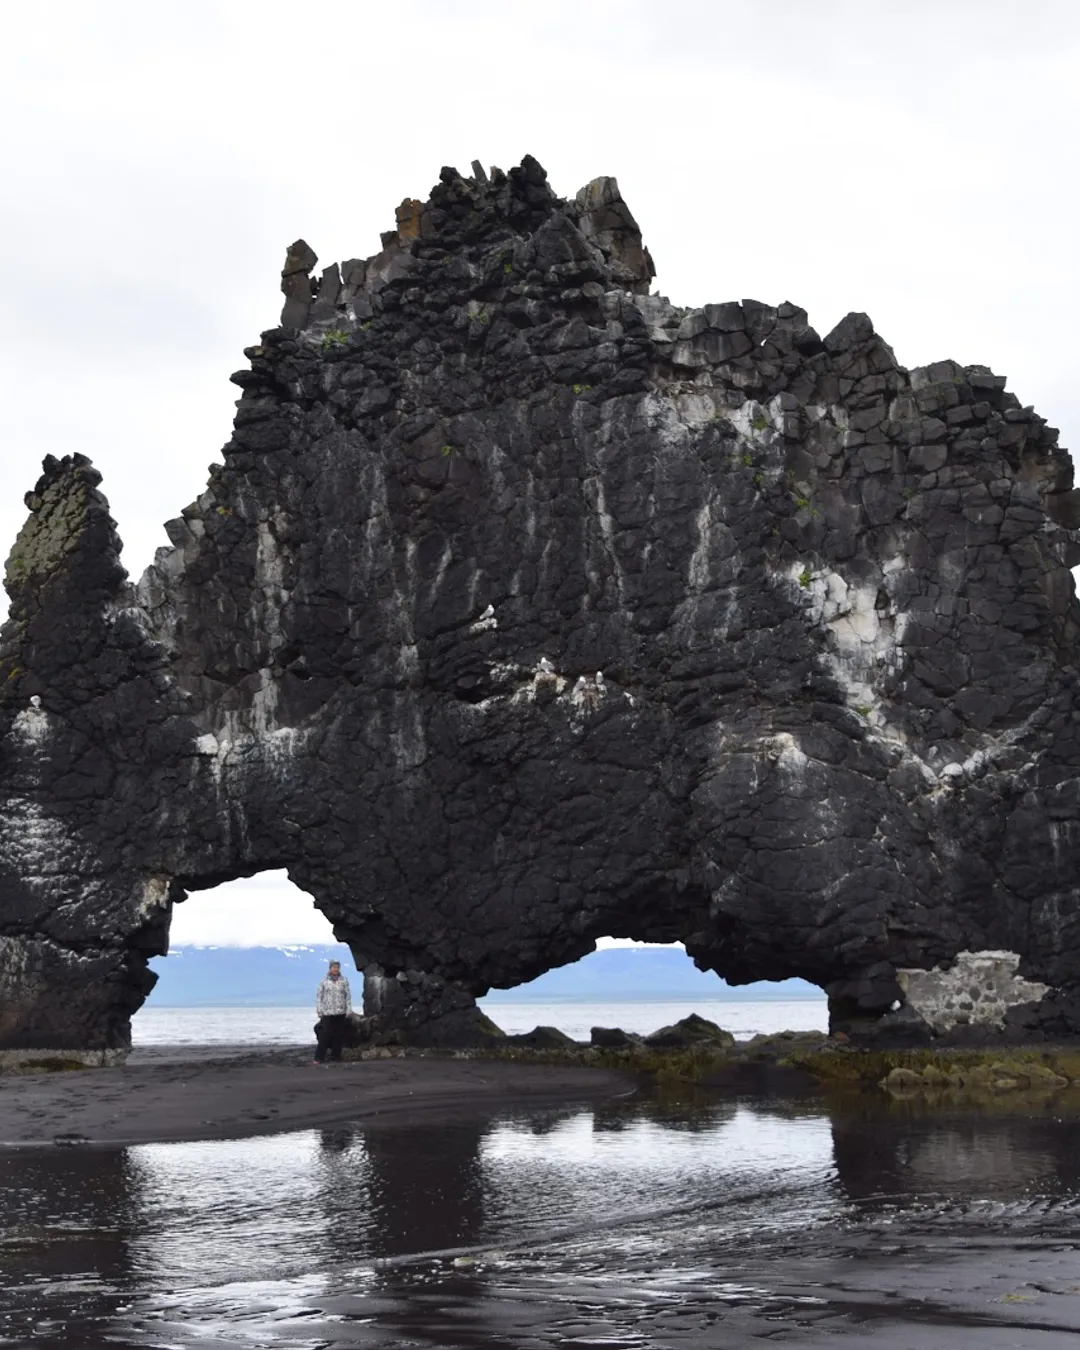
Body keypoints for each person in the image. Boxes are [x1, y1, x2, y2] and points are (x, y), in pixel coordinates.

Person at [314, 959, 352, 1065]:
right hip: (327, 1012)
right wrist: (319, 1009)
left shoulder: (344, 980)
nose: (336, 969)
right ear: (330, 968)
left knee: (339, 1035)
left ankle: (336, 1056)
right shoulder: (324, 981)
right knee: (325, 1035)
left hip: (341, 1011)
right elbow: (319, 996)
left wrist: (349, 1009)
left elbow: (347, 996)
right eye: (334, 967)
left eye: (337, 967)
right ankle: (319, 1057)